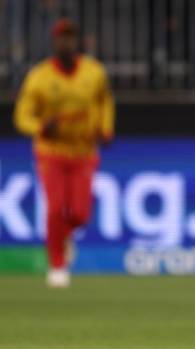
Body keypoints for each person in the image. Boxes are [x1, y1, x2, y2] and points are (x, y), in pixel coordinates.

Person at [14, 18, 115, 288]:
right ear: (54, 42)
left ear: (76, 41)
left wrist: (105, 128)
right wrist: (40, 128)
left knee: (81, 213)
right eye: (61, 37)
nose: (65, 42)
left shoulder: (93, 73)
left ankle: (62, 237)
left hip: (83, 150)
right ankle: (57, 265)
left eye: (70, 37)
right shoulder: (40, 77)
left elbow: (105, 101)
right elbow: (22, 115)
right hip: (52, 152)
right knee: (56, 208)